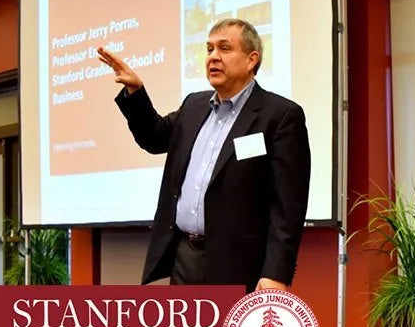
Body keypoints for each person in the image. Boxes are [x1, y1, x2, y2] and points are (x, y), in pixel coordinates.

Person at [97, 18, 311, 294]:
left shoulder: (280, 116)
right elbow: (154, 138)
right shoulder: (194, 105)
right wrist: (135, 92)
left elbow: (288, 206)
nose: (213, 57)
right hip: (185, 255)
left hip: (240, 263)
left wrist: (275, 273)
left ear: (251, 59)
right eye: (209, 49)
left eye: (224, 48)